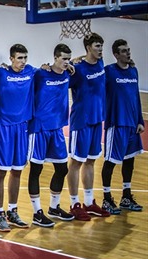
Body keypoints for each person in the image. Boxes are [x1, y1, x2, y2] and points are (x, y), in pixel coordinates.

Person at [0, 44, 35, 232]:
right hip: (3, 127)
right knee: (1, 172)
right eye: (19, 58)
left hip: (22, 128)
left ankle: (13, 210)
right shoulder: (0, 73)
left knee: (17, 171)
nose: (22, 62)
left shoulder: (31, 72)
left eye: (25, 58)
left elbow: (52, 71)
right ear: (11, 58)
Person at [27, 44, 76, 227]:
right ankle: (37, 212)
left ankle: (54, 207)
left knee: (62, 169)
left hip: (57, 129)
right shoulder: (41, 74)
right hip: (39, 128)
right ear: (55, 58)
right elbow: (23, 73)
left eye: (68, 59)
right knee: (36, 170)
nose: (66, 62)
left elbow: (83, 61)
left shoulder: (67, 73)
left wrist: (73, 62)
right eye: (63, 58)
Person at [67, 33, 109, 220]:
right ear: (88, 47)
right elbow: (61, 82)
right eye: (97, 46)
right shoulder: (77, 69)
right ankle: (74, 203)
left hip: (96, 120)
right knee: (76, 162)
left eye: (101, 46)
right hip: (81, 121)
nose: (100, 49)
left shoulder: (100, 64)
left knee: (91, 161)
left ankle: (89, 202)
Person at [100, 39, 144, 213]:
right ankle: (106, 198)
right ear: (116, 54)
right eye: (124, 51)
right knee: (110, 161)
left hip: (132, 125)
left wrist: (139, 120)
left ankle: (126, 196)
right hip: (116, 123)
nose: (128, 53)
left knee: (129, 160)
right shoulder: (109, 72)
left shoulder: (133, 71)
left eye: (129, 50)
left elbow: (136, 97)